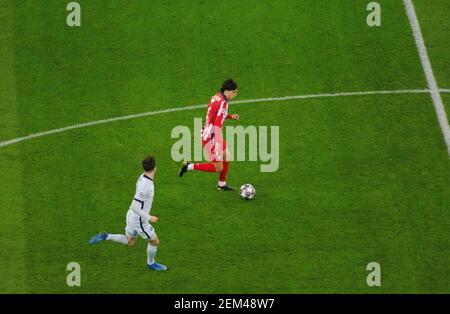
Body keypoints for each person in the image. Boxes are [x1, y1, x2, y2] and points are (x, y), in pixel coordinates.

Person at [88, 155, 167, 271]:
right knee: (155, 242)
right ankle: (151, 263)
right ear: (155, 167)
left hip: (131, 216)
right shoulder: (147, 186)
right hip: (139, 220)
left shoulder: (142, 177)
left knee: (130, 241)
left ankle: (106, 236)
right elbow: (134, 206)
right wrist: (149, 217)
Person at [179, 79, 240, 191]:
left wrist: (230, 116)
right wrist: (217, 142)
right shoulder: (223, 103)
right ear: (227, 91)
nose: (235, 94)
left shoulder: (216, 97)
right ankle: (189, 166)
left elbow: (215, 115)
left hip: (211, 133)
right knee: (218, 167)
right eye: (234, 92)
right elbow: (217, 123)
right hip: (212, 137)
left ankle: (221, 184)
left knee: (227, 157)